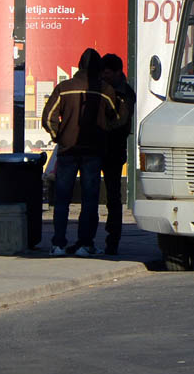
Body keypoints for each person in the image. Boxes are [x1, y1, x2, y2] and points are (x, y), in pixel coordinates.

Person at [41, 48, 119, 257]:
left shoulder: (64, 88)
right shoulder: (105, 90)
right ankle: (86, 243)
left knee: (62, 200)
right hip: (94, 151)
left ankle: (58, 244)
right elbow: (114, 116)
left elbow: (48, 117)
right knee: (90, 200)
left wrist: (58, 135)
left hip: (67, 150)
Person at [99, 53, 135, 255]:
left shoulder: (125, 93)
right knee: (93, 194)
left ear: (117, 72)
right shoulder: (102, 89)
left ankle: (113, 239)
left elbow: (121, 122)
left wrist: (103, 127)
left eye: (108, 73)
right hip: (98, 148)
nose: (105, 76)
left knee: (113, 197)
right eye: (103, 73)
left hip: (113, 149)